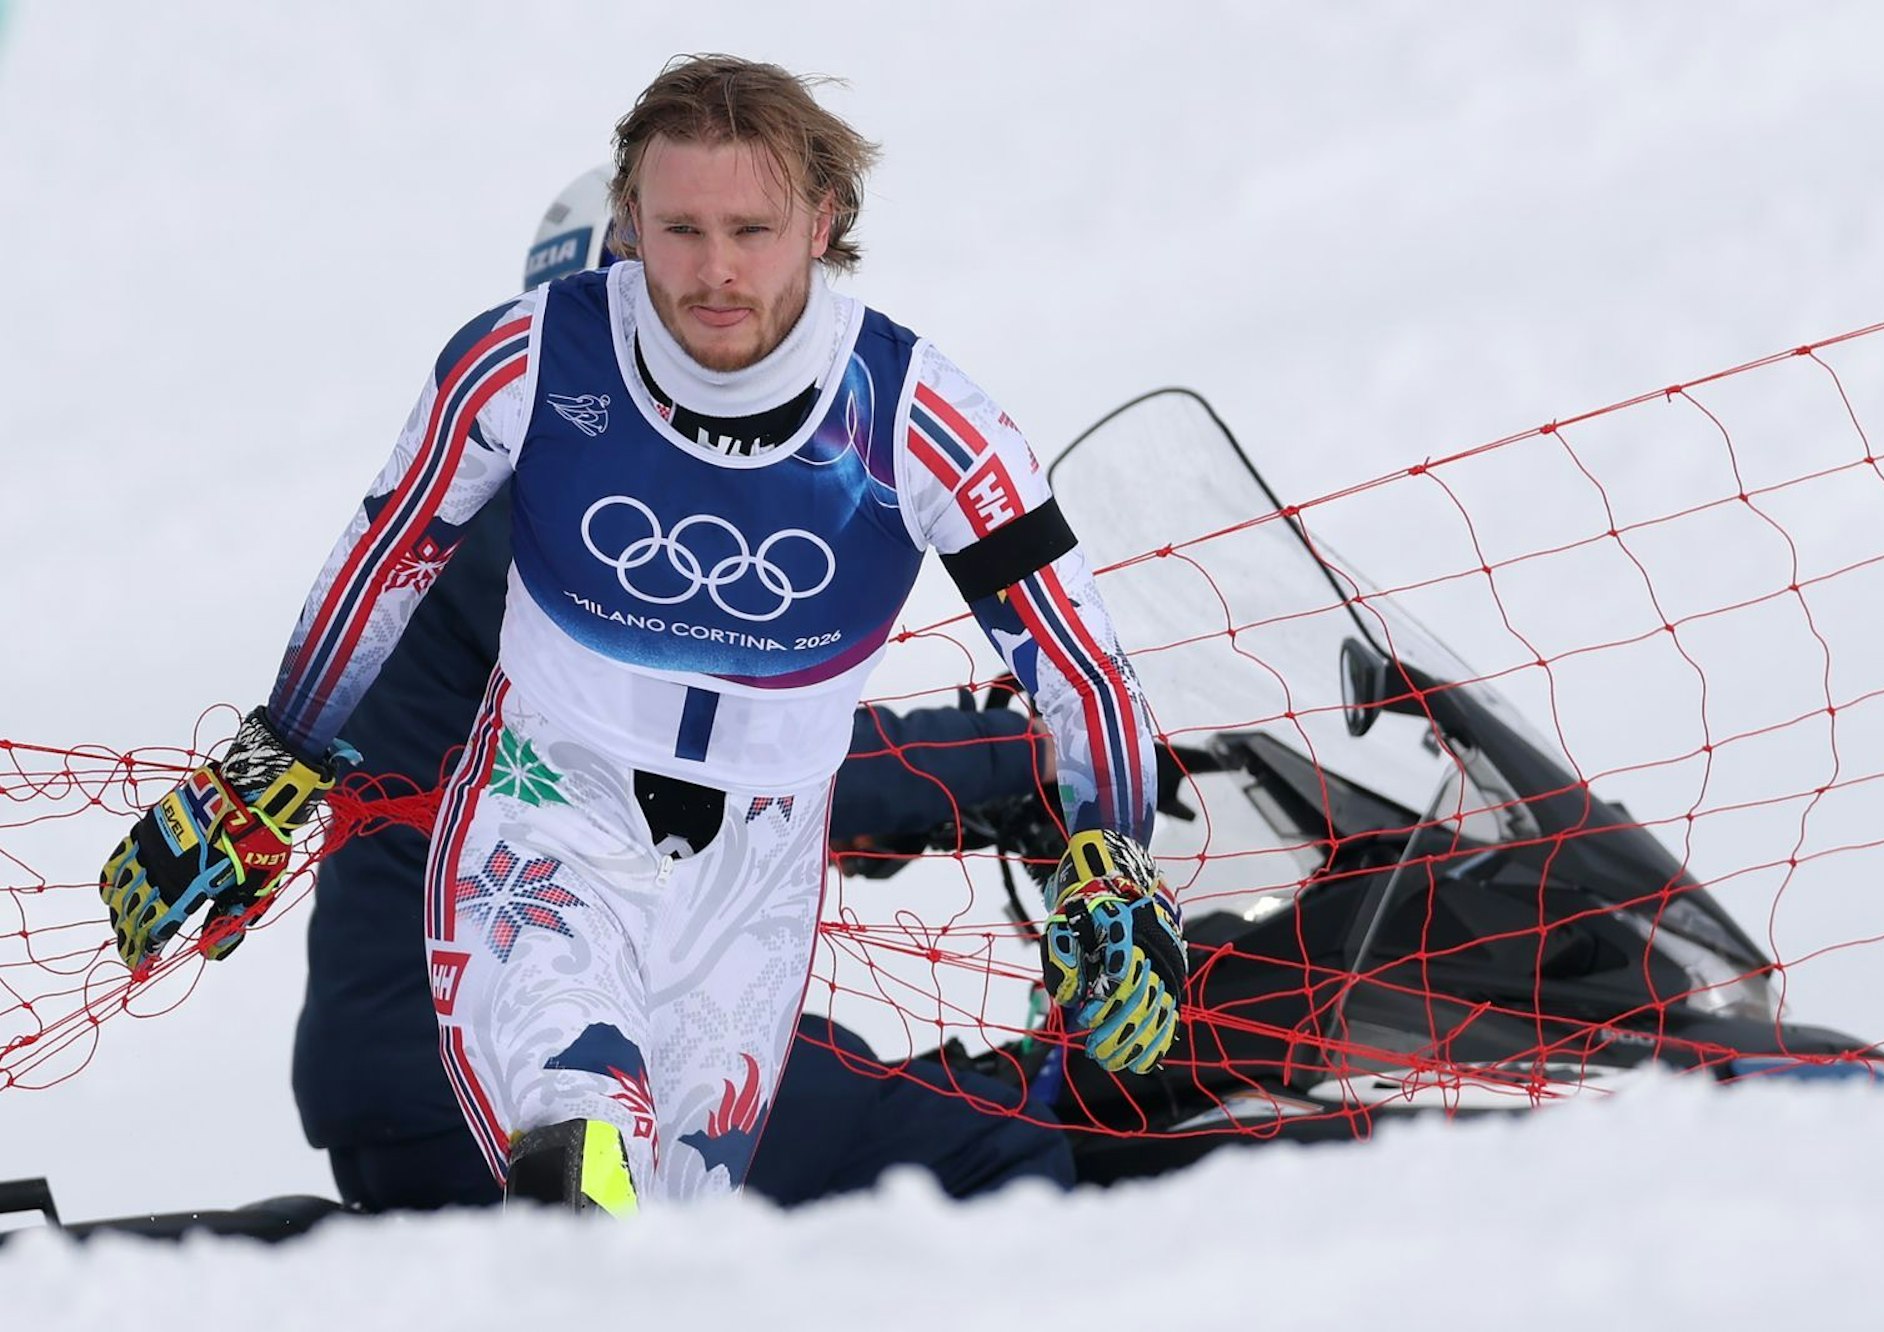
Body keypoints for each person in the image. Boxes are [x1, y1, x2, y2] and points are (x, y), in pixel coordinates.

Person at [100, 54, 1184, 1215]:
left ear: (823, 223)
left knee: (677, 1226)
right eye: (674, 232)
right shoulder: (520, 393)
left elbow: (1079, 662)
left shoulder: (918, 420)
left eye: (749, 230)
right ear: (628, 228)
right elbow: (381, 557)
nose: (711, 272)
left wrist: (1109, 856)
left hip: (751, 880)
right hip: (545, 820)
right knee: (588, 1143)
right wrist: (266, 769)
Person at [290, 163, 1079, 1212]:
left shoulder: (488, 499)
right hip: (508, 1053)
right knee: (992, 1143)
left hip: (413, 1070)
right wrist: (1017, 763)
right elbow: (746, 761)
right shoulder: (554, 533)